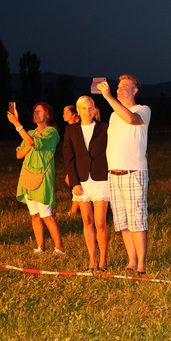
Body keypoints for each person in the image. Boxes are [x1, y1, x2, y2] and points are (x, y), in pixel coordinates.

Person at [98, 75, 151, 275]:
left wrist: (109, 97)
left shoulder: (143, 110)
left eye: (124, 86)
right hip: (114, 174)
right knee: (122, 221)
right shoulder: (113, 115)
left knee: (137, 219)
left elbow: (130, 119)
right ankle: (131, 261)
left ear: (135, 90)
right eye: (118, 86)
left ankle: (141, 265)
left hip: (133, 172)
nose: (119, 89)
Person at [8, 102, 65, 254]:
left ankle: (60, 249)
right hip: (28, 176)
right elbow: (19, 154)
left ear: (48, 114)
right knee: (34, 215)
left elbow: (35, 143)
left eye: (40, 111)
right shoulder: (31, 132)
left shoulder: (52, 132)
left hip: (42, 177)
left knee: (46, 215)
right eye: (35, 111)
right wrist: (30, 142)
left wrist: (18, 125)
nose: (36, 113)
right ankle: (41, 247)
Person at [63, 96, 110, 270]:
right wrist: (74, 183)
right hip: (81, 181)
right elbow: (69, 158)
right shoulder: (71, 130)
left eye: (91, 108)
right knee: (87, 220)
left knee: (100, 222)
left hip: (101, 179)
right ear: (78, 111)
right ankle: (92, 261)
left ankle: (103, 261)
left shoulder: (104, 128)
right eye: (84, 108)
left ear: (95, 109)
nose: (88, 111)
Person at [62, 104, 81, 214]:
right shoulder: (70, 128)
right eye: (63, 113)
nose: (64, 115)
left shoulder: (76, 128)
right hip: (73, 160)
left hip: (78, 160)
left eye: (67, 113)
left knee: (73, 181)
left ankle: (74, 210)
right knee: (70, 180)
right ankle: (76, 207)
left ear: (74, 115)